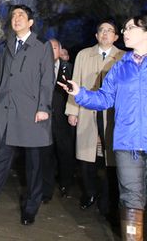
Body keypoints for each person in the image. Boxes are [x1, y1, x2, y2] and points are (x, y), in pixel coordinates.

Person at [59, 15, 147, 241]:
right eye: (124, 28)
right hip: (127, 144)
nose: (124, 32)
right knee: (130, 198)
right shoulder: (119, 67)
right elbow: (105, 98)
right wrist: (79, 93)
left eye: (130, 28)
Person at [0, 5, 54, 225]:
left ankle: (30, 209)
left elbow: (46, 80)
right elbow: (3, 79)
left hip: (32, 114)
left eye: (21, 15)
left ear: (31, 22)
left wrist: (43, 107)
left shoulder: (42, 47)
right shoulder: (7, 47)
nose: (16, 18)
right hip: (8, 114)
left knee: (33, 166)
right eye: (13, 15)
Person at [65, 20, 124, 215]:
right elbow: (75, 84)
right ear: (96, 36)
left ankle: (108, 198)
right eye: (102, 30)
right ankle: (89, 193)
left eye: (110, 31)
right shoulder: (83, 55)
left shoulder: (123, 57)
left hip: (112, 114)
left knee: (111, 159)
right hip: (86, 110)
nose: (105, 34)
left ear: (116, 37)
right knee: (86, 156)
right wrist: (72, 111)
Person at [41, 39, 75, 202]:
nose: (50, 50)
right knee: (45, 155)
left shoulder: (69, 68)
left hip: (63, 118)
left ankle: (65, 184)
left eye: (54, 47)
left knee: (65, 153)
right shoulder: (38, 67)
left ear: (60, 50)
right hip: (44, 120)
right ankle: (45, 190)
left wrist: (73, 113)